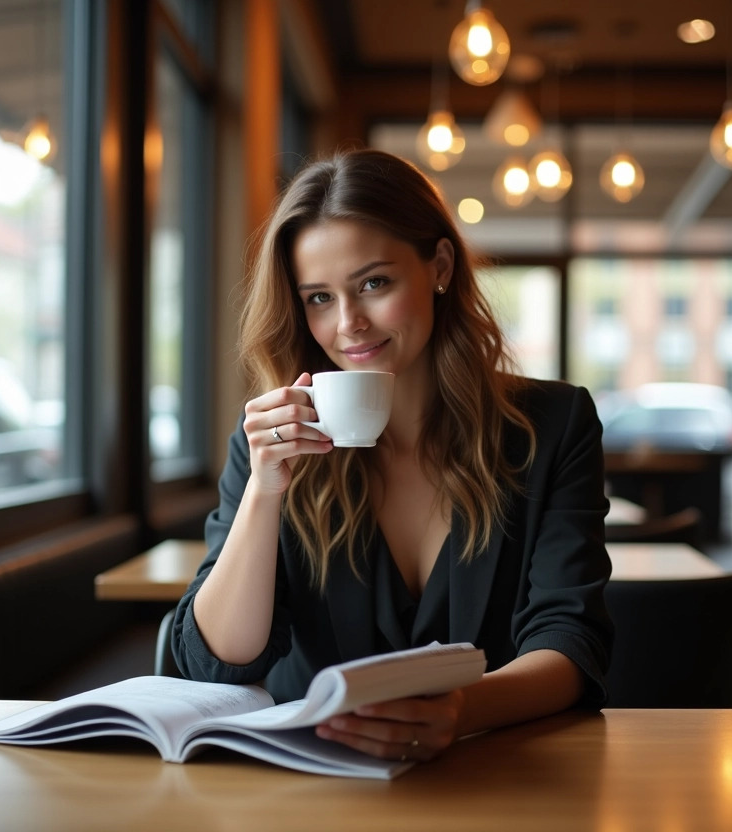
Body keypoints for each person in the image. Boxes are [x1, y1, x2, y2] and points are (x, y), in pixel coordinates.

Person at [171, 149, 612, 764]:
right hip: (308, 783)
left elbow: (571, 640)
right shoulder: (271, 443)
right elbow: (218, 661)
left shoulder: (551, 428)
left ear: (439, 266)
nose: (349, 323)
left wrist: (462, 711)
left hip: (495, 775)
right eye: (319, 297)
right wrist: (265, 490)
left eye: (374, 283)